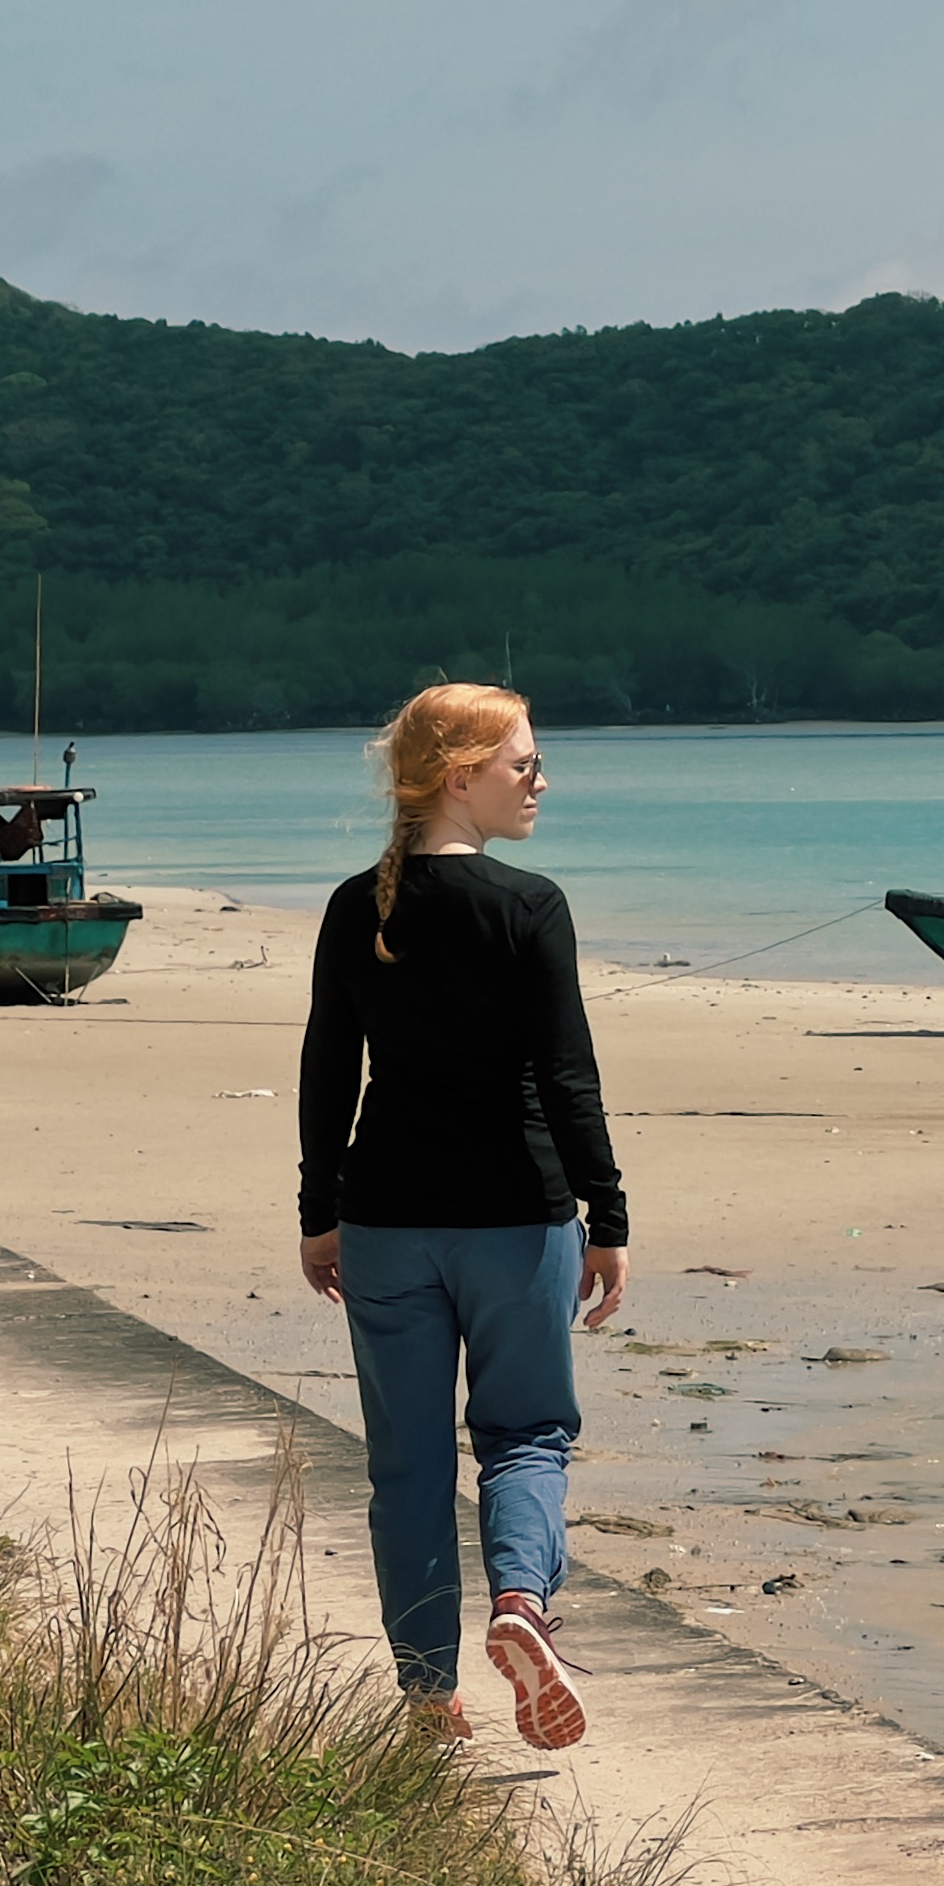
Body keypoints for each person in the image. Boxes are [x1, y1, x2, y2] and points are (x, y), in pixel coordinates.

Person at [298, 684, 629, 1745]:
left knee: (405, 1464)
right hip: (515, 1218)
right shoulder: (527, 906)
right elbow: (566, 1076)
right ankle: (521, 1609)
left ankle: (429, 1698)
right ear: (460, 777)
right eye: (522, 765)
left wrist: (320, 1208)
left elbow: (325, 1069)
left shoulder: (362, 905)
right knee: (525, 1436)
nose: (540, 782)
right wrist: (608, 1212)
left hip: (386, 1217)